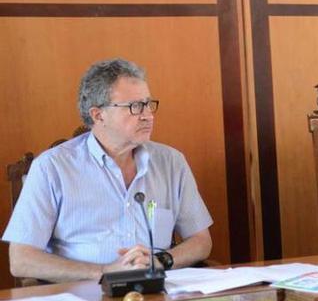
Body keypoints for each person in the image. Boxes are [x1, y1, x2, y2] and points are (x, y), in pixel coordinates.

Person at [3, 59, 213, 282]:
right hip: (84, 296)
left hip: (159, 292)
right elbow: (21, 260)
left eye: (148, 104)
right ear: (98, 115)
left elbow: (201, 241)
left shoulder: (171, 162)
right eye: (134, 107)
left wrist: (161, 261)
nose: (148, 115)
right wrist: (105, 273)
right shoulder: (51, 168)